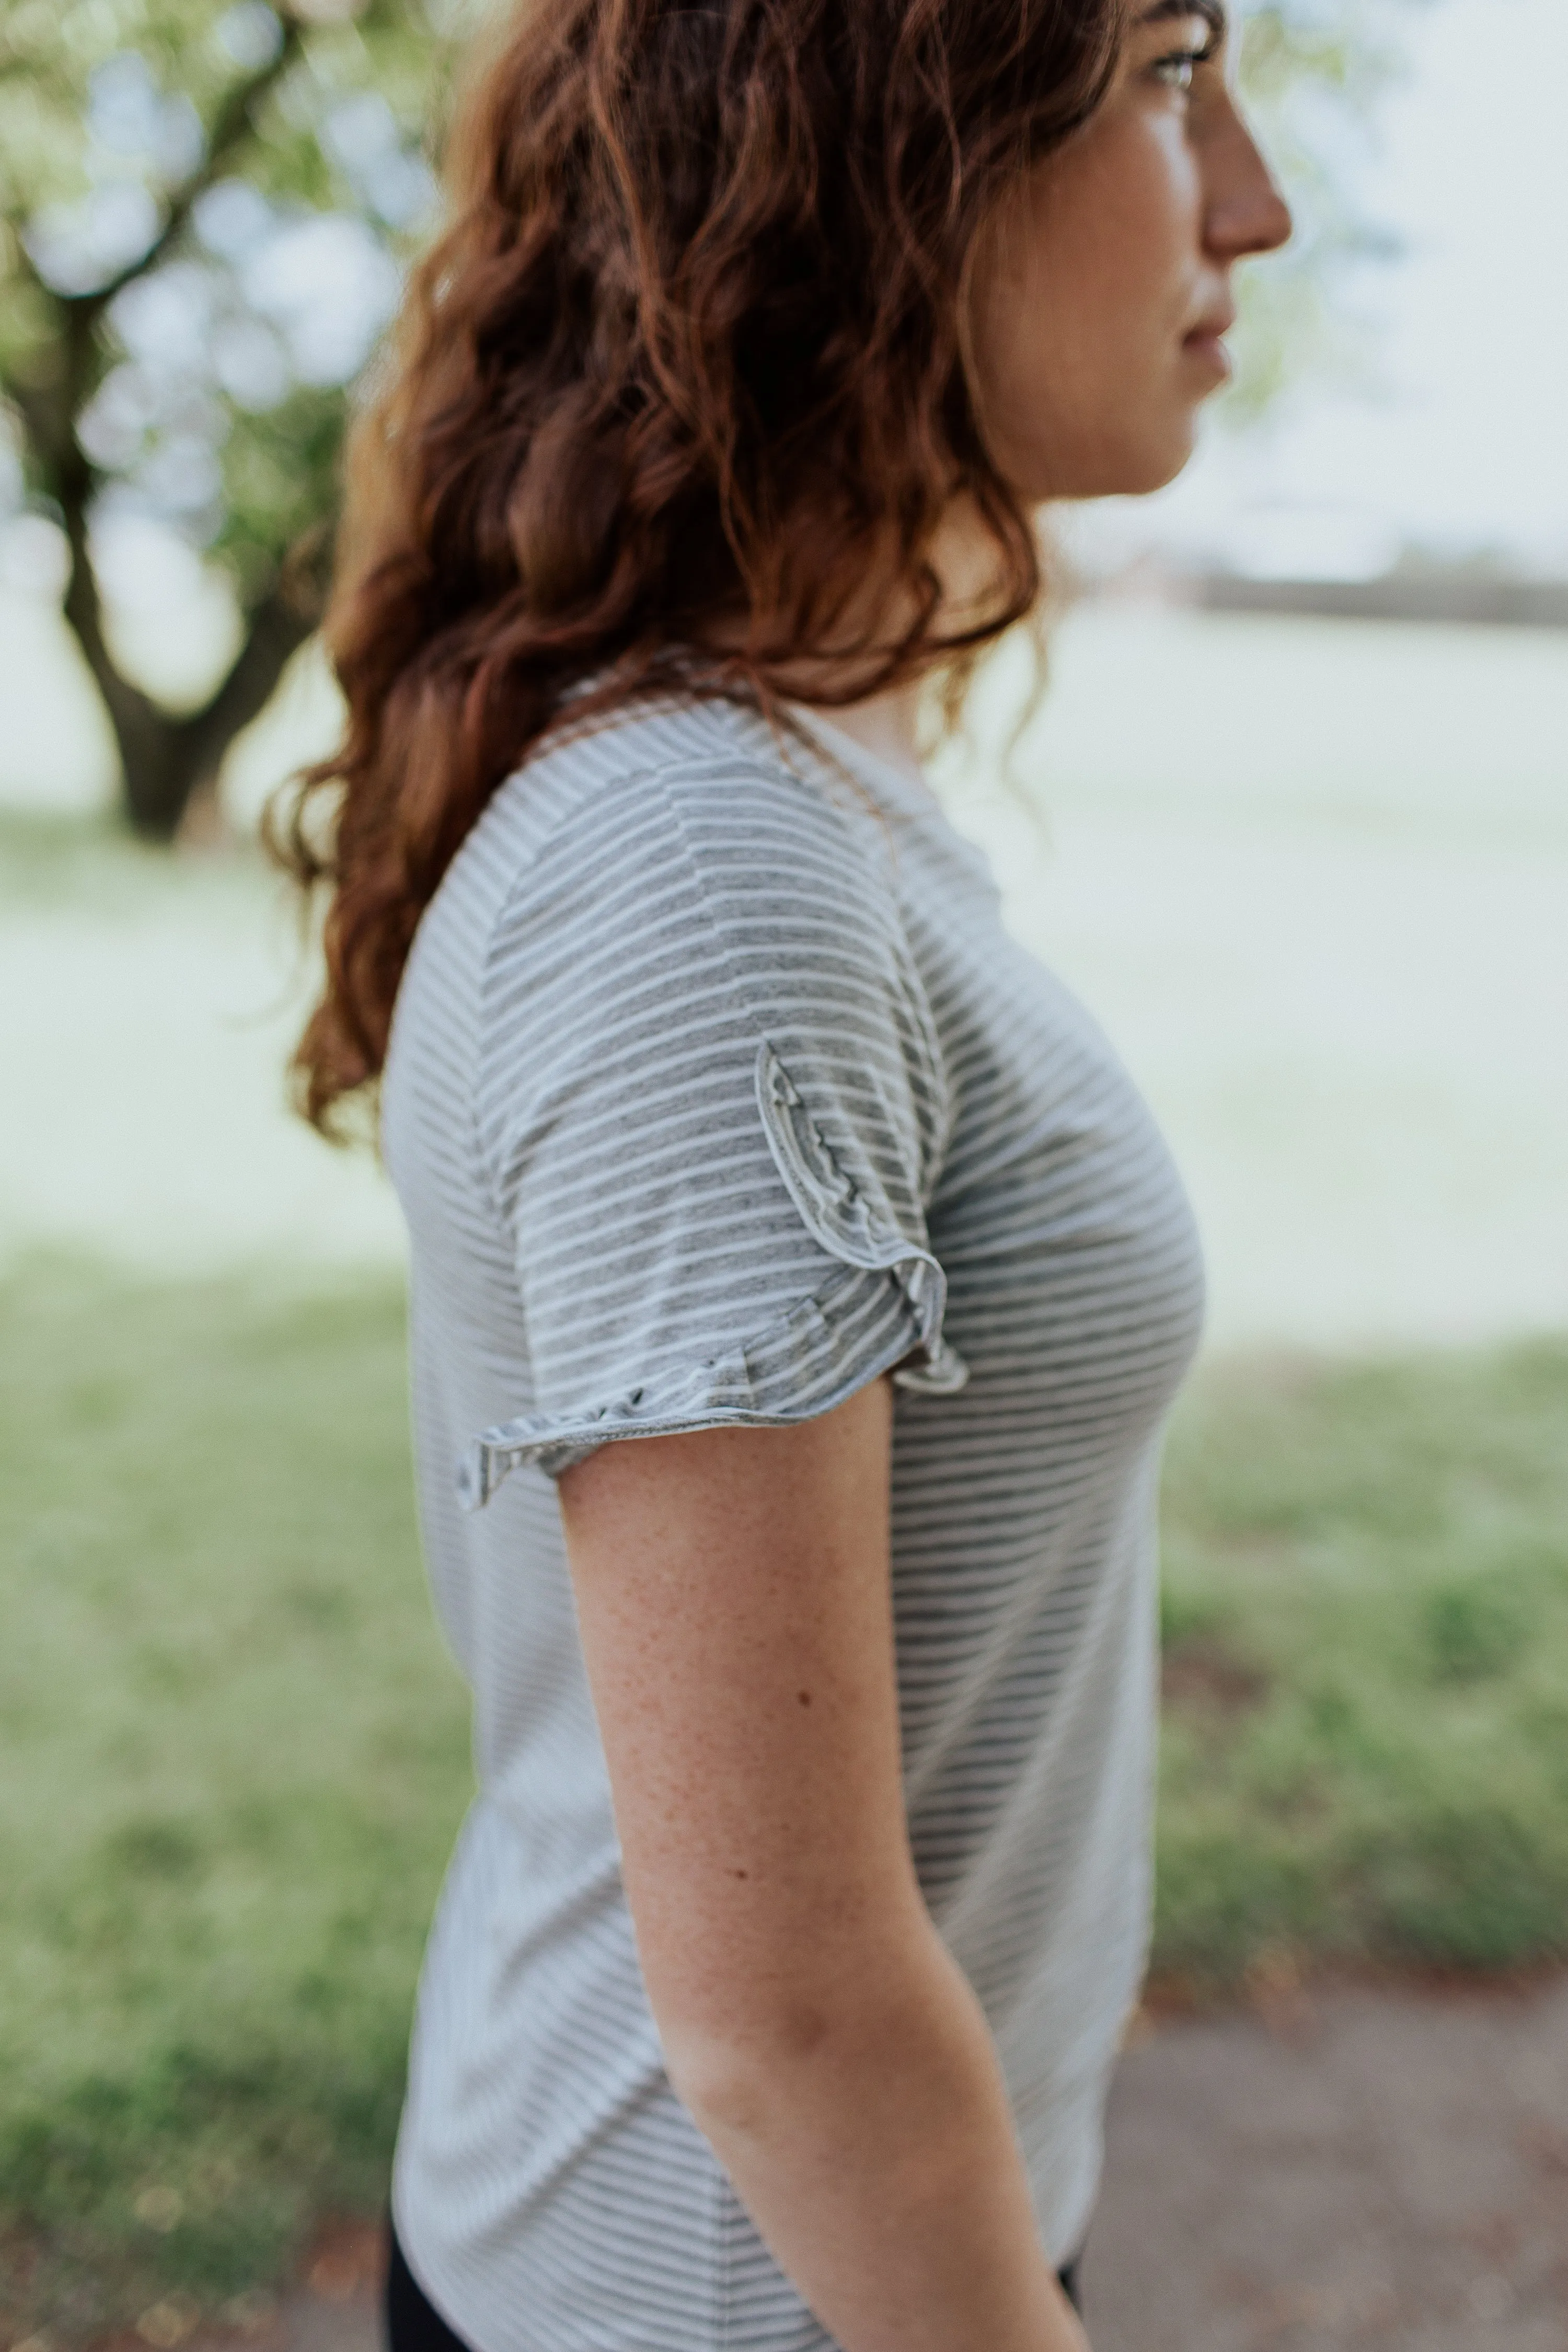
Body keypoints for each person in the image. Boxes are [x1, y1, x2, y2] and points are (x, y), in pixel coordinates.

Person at [280, 2, 1290, 2346]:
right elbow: (789, 2023)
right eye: (1165, 72)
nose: (1252, 197)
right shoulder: (703, 873)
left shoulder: (792, 782)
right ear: (883, 154)